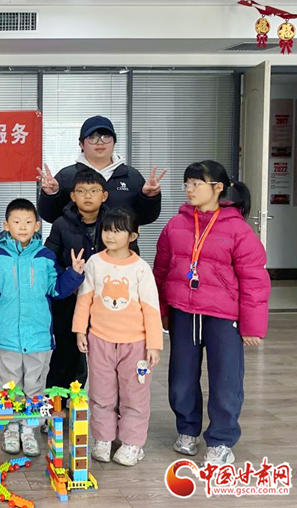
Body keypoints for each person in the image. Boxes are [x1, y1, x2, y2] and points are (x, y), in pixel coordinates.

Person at [153, 161, 270, 467]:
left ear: (218, 188)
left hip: (223, 317)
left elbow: (254, 279)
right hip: (183, 313)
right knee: (181, 377)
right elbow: (161, 272)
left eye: (196, 183)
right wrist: (161, 311)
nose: (189, 190)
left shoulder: (238, 229)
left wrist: (252, 326)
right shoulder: (175, 225)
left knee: (225, 380)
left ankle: (220, 440)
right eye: (187, 184)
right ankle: (187, 430)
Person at [0, 198, 84, 457]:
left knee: (35, 385)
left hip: (39, 337)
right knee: (7, 385)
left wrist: (74, 274)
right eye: (16, 222)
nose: (22, 227)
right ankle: (11, 428)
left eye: (27, 222)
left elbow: (56, 290)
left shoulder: (45, 257)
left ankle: (30, 429)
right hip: (6, 335)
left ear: (37, 225)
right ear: (6, 225)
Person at [72, 208, 163, 467]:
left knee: (135, 395)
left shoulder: (141, 269)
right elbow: (84, 299)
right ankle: (103, 439)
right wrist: (80, 330)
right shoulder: (94, 262)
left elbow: (151, 309)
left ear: (133, 235)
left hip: (135, 345)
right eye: (106, 229)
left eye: (118, 230)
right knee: (101, 393)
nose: (110, 235)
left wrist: (154, 345)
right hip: (99, 340)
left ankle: (132, 443)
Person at [37, 115, 165, 234]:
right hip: (76, 249)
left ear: (114, 142)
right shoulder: (67, 176)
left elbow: (146, 217)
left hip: (121, 249)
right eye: (92, 138)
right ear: (81, 144)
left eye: (106, 137)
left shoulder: (131, 176)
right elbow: (51, 216)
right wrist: (51, 195)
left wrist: (149, 198)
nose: (100, 142)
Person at [44, 169, 109, 392]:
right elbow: (48, 260)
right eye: (81, 191)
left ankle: (106, 404)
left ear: (104, 195)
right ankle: (59, 403)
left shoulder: (115, 222)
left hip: (106, 299)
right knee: (66, 353)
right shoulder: (61, 224)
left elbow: (128, 256)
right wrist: (69, 279)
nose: (87, 196)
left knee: (105, 353)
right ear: (72, 196)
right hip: (69, 298)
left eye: (94, 191)